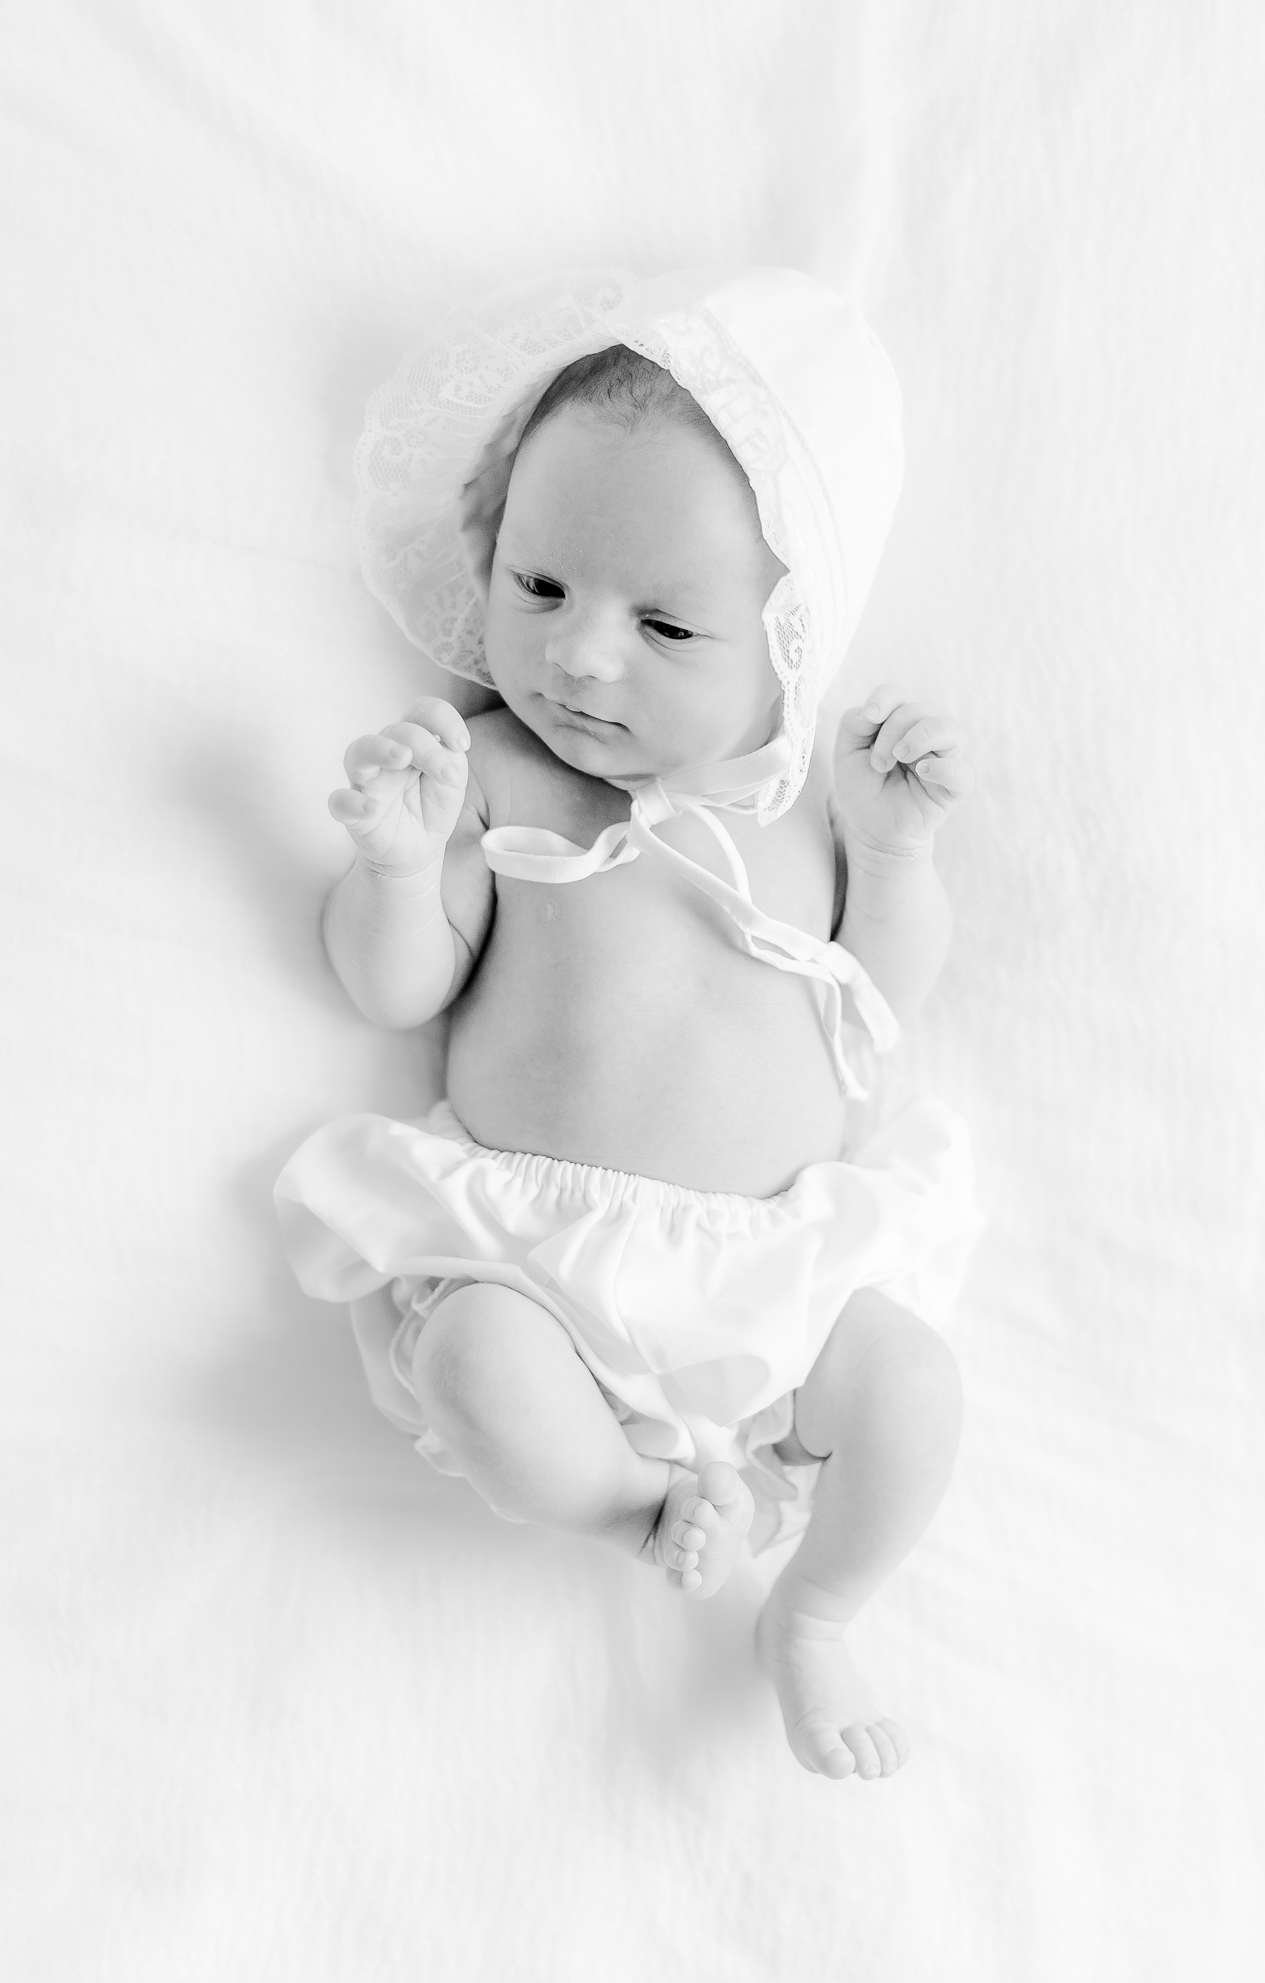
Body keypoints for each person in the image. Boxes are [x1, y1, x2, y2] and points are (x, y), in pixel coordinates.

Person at [276, 267, 981, 1782]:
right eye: (538, 589)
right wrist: (399, 867)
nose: (579, 657)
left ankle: (817, 1610)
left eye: (666, 625)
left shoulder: (802, 815)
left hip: (775, 1275)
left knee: (915, 1392)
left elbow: (881, 1001)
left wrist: (901, 856)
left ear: (793, 643)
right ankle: (634, 1507)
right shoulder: (492, 771)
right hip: (535, 1262)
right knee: (475, 1375)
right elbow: (396, 988)